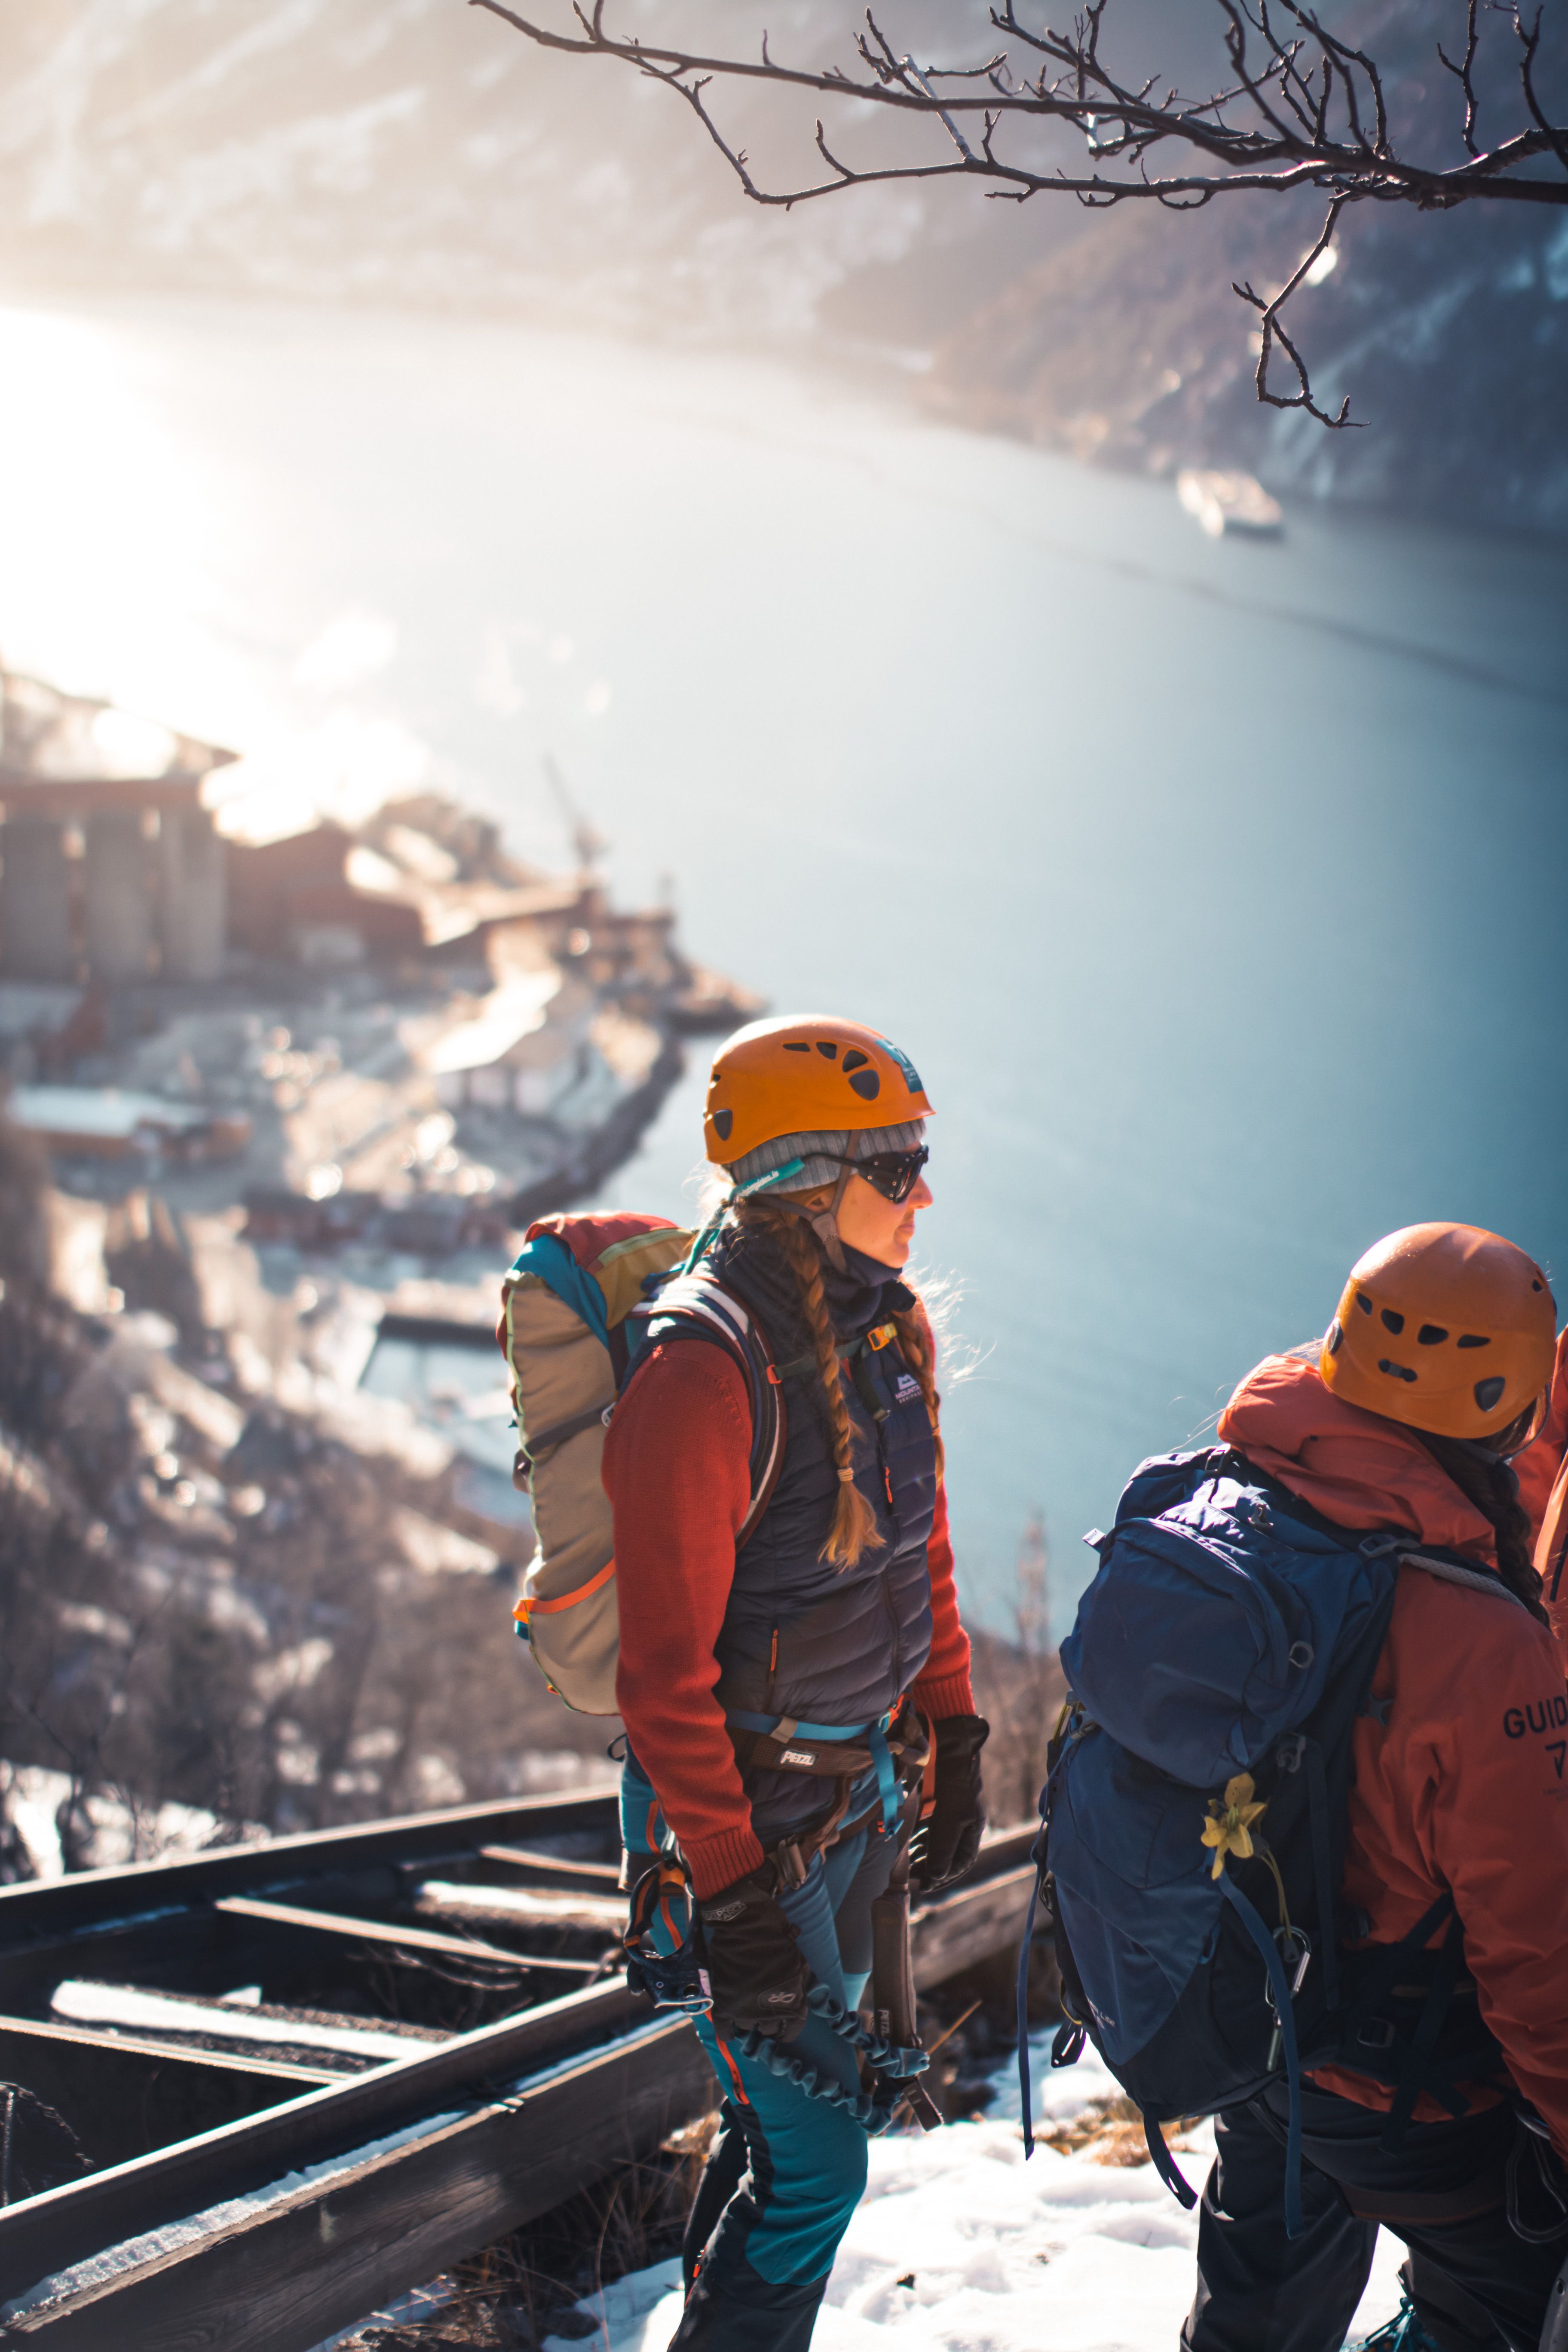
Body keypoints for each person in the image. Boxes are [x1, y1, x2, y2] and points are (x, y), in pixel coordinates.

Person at [602, 1014, 986, 2352]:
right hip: (754, 1831)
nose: (922, 1193)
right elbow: (658, 1681)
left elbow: (919, 1548)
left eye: (921, 1161)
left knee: (792, 2145)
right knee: (823, 2169)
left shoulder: (891, 1328)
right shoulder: (699, 1376)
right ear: (802, 1183)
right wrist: (729, 1890)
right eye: (895, 1170)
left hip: (857, 1796)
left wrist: (956, 1721)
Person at [1180, 1222, 1568, 2352]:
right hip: (1400, 2074)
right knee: (1497, 2301)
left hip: (1243, 2012)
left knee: (1253, 2307)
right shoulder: (1481, 1642)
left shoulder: (1240, 1492)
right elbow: (1532, 1946)